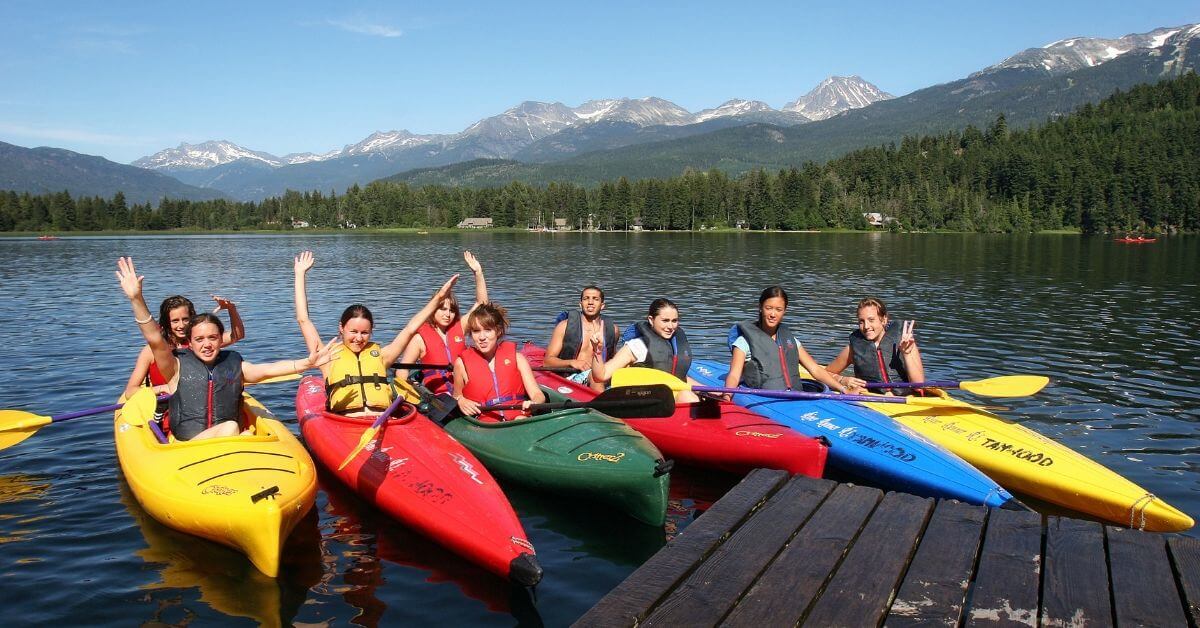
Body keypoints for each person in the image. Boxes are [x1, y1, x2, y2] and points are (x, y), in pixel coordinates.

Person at [116, 257, 337, 441]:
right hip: (190, 445)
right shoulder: (175, 366)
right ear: (190, 343)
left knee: (238, 432)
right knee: (232, 428)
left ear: (220, 340)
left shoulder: (232, 364)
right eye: (199, 339)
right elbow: (154, 338)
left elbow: (267, 370)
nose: (207, 344)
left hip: (224, 444)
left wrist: (307, 363)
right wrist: (136, 299)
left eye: (213, 337)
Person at [293, 250, 459, 416]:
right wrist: (299, 275)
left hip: (382, 421)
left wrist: (438, 298)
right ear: (341, 328)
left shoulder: (382, 356)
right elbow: (303, 320)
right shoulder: (326, 357)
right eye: (353, 331)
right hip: (345, 425)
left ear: (372, 331)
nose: (359, 338)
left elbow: (410, 328)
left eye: (364, 333)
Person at [723, 286, 852, 396]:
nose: (773, 314)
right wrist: (727, 396)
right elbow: (734, 375)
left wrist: (843, 389)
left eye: (778, 310)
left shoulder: (791, 341)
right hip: (763, 397)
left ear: (784, 311)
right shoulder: (743, 342)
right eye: (769, 308)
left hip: (794, 396)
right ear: (760, 307)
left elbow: (815, 369)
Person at [396, 251, 489, 394]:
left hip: (464, 393)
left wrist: (478, 273)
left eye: (452, 310)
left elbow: (482, 304)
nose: (448, 314)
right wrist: (410, 393)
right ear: (433, 310)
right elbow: (402, 371)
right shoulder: (419, 338)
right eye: (442, 309)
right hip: (438, 397)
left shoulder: (460, 327)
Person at [121, 294, 244, 399]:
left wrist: (231, 309)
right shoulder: (151, 351)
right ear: (166, 322)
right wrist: (163, 388)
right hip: (164, 403)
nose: (181, 325)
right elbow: (130, 392)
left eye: (185, 319)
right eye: (175, 321)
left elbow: (237, 335)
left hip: (197, 401)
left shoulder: (199, 343)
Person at [588, 298, 701, 403]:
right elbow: (601, 376)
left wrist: (710, 390)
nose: (671, 326)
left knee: (689, 396)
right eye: (665, 321)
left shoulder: (675, 344)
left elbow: (679, 378)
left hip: (674, 395)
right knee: (687, 396)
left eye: (674, 321)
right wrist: (597, 351)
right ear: (651, 320)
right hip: (645, 400)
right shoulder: (637, 346)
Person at [452, 302, 546, 421]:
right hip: (484, 421)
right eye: (476, 331)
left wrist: (533, 403)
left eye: (488, 330)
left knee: (520, 419)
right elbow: (456, 396)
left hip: (518, 416)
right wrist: (461, 400)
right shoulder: (461, 364)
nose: (482, 337)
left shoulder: (518, 358)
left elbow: (538, 395)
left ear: (498, 331)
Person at [825, 297, 924, 394]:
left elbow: (918, 385)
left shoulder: (906, 344)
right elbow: (825, 374)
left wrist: (906, 354)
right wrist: (843, 379)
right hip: (871, 402)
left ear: (884, 320)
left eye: (871, 320)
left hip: (906, 401)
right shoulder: (852, 349)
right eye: (861, 321)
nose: (866, 326)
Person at [542, 285, 621, 391]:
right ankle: (602, 406)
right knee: (595, 376)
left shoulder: (613, 329)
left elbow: (613, 359)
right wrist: (572, 362)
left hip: (602, 376)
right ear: (580, 304)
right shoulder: (564, 326)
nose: (590, 302)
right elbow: (547, 362)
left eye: (595, 299)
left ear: (602, 305)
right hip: (572, 377)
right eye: (586, 298)